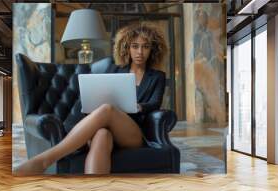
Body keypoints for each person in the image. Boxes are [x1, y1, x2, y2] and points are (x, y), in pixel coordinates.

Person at [15, 22, 168, 175]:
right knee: (102, 135)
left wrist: (140, 107)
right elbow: (100, 94)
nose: (140, 51)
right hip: (106, 128)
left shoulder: (157, 77)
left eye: (145, 46)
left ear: (153, 49)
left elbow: (155, 103)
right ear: (127, 47)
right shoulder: (114, 69)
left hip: (133, 132)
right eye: (135, 46)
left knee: (108, 109)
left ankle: (45, 159)